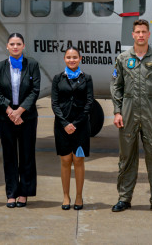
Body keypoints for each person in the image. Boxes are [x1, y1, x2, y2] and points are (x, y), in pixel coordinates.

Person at [110, 19, 152, 215]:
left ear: (149, 34)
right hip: (128, 111)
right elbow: (116, 86)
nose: (141, 35)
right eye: (137, 32)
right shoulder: (122, 58)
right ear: (133, 34)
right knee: (127, 156)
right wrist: (117, 111)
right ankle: (124, 198)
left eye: (144, 31)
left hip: (150, 112)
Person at [0, 32, 40, 208]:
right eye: (12, 44)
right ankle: (11, 193)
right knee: (9, 155)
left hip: (27, 116)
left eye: (18, 44)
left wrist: (19, 111)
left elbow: (35, 91)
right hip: (6, 118)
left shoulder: (32, 64)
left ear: (23, 46)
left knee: (27, 155)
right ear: (7, 46)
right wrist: (10, 111)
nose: (15, 47)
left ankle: (24, 193)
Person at [51, 46, 94, 211]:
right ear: (64, 59)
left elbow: (89, 102)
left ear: (80, 58)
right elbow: (55, 103)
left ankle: (78, 196)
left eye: (75, 57)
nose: (72, 60)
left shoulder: (87, 78)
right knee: (65, 160)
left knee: (78, 160)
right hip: (62, 126)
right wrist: (65, 123)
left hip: (81, 126)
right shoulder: (58, 78)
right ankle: (65, 196)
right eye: (68, 57)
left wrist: (75, 124)